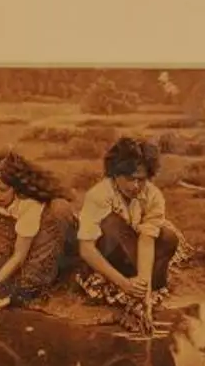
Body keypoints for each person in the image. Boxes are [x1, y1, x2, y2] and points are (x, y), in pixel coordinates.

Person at [75, 136, 192, 332]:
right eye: (130, 179)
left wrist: (143, 291)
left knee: (168, 238)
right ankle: (121, 291)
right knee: (112, 223)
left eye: (141, 179)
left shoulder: (153, 196)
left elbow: (147, 242)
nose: (135, 186)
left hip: (134, 253)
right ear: (115, 174)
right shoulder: (99, 195)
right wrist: (123, 283)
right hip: (107, 257)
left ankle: (145, 294)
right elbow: (86, 249)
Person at [0, 149, 75, 308]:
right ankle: (4, 284)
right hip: (13, 241)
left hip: (41, 244)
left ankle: (40, 283)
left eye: (3, 190)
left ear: (16, 188)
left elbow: (19, 255)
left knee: (27, 289)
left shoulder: (30, 203)